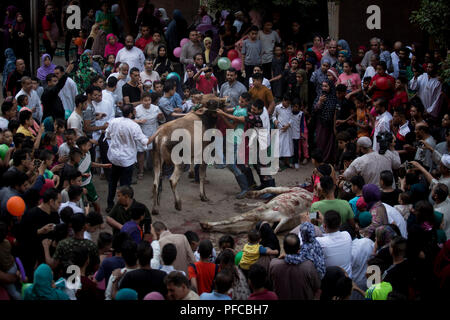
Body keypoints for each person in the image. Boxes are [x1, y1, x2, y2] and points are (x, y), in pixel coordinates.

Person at [105, 105, 153, 210]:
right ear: (131, 113)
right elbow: (146, 141)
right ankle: (123, 206)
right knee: (125, 186)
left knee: (112, 182)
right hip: (127, 159)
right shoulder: (134, 126)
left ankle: (110, 204)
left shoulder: (114, 121)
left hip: (114, 157)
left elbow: (107, 135)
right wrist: (157, 133)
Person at [269, 233, 321, 300]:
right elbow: (317, 285)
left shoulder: (274, 264)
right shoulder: (308, 266)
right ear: (299, 249)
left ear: (284, 248)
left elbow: (270, 283)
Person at [316, 210, 353, 277]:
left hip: (332, 283)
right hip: (348, 279)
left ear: (324, 226)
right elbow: (329, 234)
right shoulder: (347, 235)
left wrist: (305, 224)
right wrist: (323, 223)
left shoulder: (320, 242)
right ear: (340, 223)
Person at [313, 80, 336, 163]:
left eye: (326, 86)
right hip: (321, 123)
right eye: (323, 86)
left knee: (329, 143)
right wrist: (320, 101)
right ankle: (320, 159)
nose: (324, 88)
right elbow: (315, 109)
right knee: (320, 141)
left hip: (330, 123)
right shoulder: (320, 95)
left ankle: (328, 160)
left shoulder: (334, 97)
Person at [272, 94, 294, 168]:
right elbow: (273, 116)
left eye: (289, 103)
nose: (287, 105)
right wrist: (275, 121)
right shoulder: (278, 107)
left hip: (288, 130)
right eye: (286, 103)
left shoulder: (290, 108)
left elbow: (292, 117)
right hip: (280, 129)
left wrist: (288, 125)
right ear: (283, 101)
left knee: (287, 146)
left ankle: (287, 162)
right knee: (279, 146)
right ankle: (276, 165)